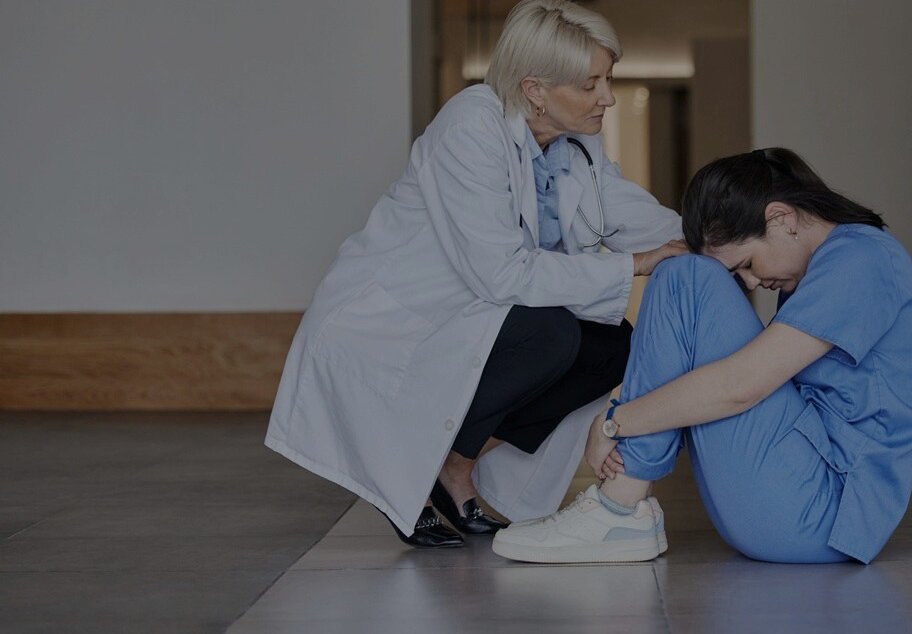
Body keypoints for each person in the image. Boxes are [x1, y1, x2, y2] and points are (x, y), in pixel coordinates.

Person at [265, 0, 685, 548]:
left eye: (608, 80)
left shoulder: (574, 145)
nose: (606, 97)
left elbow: (632, 213)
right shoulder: (472, 125)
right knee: (552, 334)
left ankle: (451, 464)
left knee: (611, 345)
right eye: (591, 84)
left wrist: (711, 246)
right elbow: (502, 274)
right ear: (535, 89)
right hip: (399, 320)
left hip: (479, 312)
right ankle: (422, 470)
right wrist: (635, 265)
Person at [493, 147, 912, 564]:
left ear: (781, 219)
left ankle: (619, 508)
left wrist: (615, 422)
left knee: (686, 277)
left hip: (824, 509)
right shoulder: (819, 270)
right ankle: (621, 509)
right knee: (681, 273)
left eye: (746, 263)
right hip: (795, 500)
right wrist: (618, 408)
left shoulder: (862, 258)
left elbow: (740, 387)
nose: (749, 282)